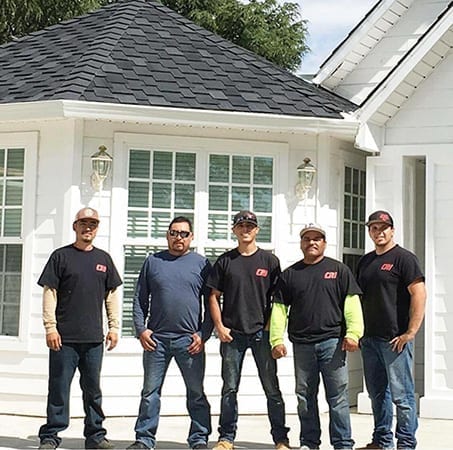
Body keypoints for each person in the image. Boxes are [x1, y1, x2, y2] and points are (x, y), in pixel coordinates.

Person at [270, 223, 364, 450]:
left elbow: (352, 303)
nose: (312, 242)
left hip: (333, 343)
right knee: (305, 397)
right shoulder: (290, 274)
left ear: (324, 243)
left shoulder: (339, 270)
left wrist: (353, 333)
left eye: (317, 238)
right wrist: (276, 340)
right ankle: (309, 443)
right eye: (307, 239)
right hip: (302, 345)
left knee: (338, 398)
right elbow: (279, 309)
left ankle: (343, 444)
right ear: (301, 243)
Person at [37, 207, 122, 450]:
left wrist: (114, 327)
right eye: (83, 223)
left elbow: (112, 295)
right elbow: (49, 293)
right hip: (63, 338)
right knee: (59, 388)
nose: (88, 228)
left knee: (93, 390)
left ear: (97, 228)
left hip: (94, 338)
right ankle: (51, 436)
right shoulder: (60, 257)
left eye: (93, 224)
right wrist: (50, 328)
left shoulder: (103, 259)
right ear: (75, 226)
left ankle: (95, 437)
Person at [127, 216, 213, 450]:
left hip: (190, 341)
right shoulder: (153, 262)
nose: (179, 237)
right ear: (167, 235)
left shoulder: (202, 264)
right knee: (150, 392)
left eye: (184, 233)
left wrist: (203, 335)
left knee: (196, 393)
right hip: (157, 341)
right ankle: (144, 439)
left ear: (191, 237)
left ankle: (198, 439)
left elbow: (212, 302)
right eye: (174, 232)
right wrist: (141, 330)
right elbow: (139, 299)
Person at [207, 210, 290, 450]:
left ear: (257, 230)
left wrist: (270, 329)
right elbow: (213, 296)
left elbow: (279, 299)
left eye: (250, 226)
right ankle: (226, 438)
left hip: (261, 334)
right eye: (241, 226)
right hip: (232, 335)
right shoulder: (225, 261)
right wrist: (220, 327)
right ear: (234, 230)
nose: (246, 230)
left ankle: (281, 439)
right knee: (229, 389)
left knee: (272, 389)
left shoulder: (270, 262)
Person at [356, 211, 426, 450]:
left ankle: (406, 444)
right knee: (378, 395)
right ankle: (381, 440)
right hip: (370, 340)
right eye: (374, 228)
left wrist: (411, 332)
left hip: (395, 340)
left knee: (402, 397)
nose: (379, 232)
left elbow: (419, 294)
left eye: (383, 227)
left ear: (392, 230)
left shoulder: (404, 259)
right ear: (370, 232)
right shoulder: (365, 262)